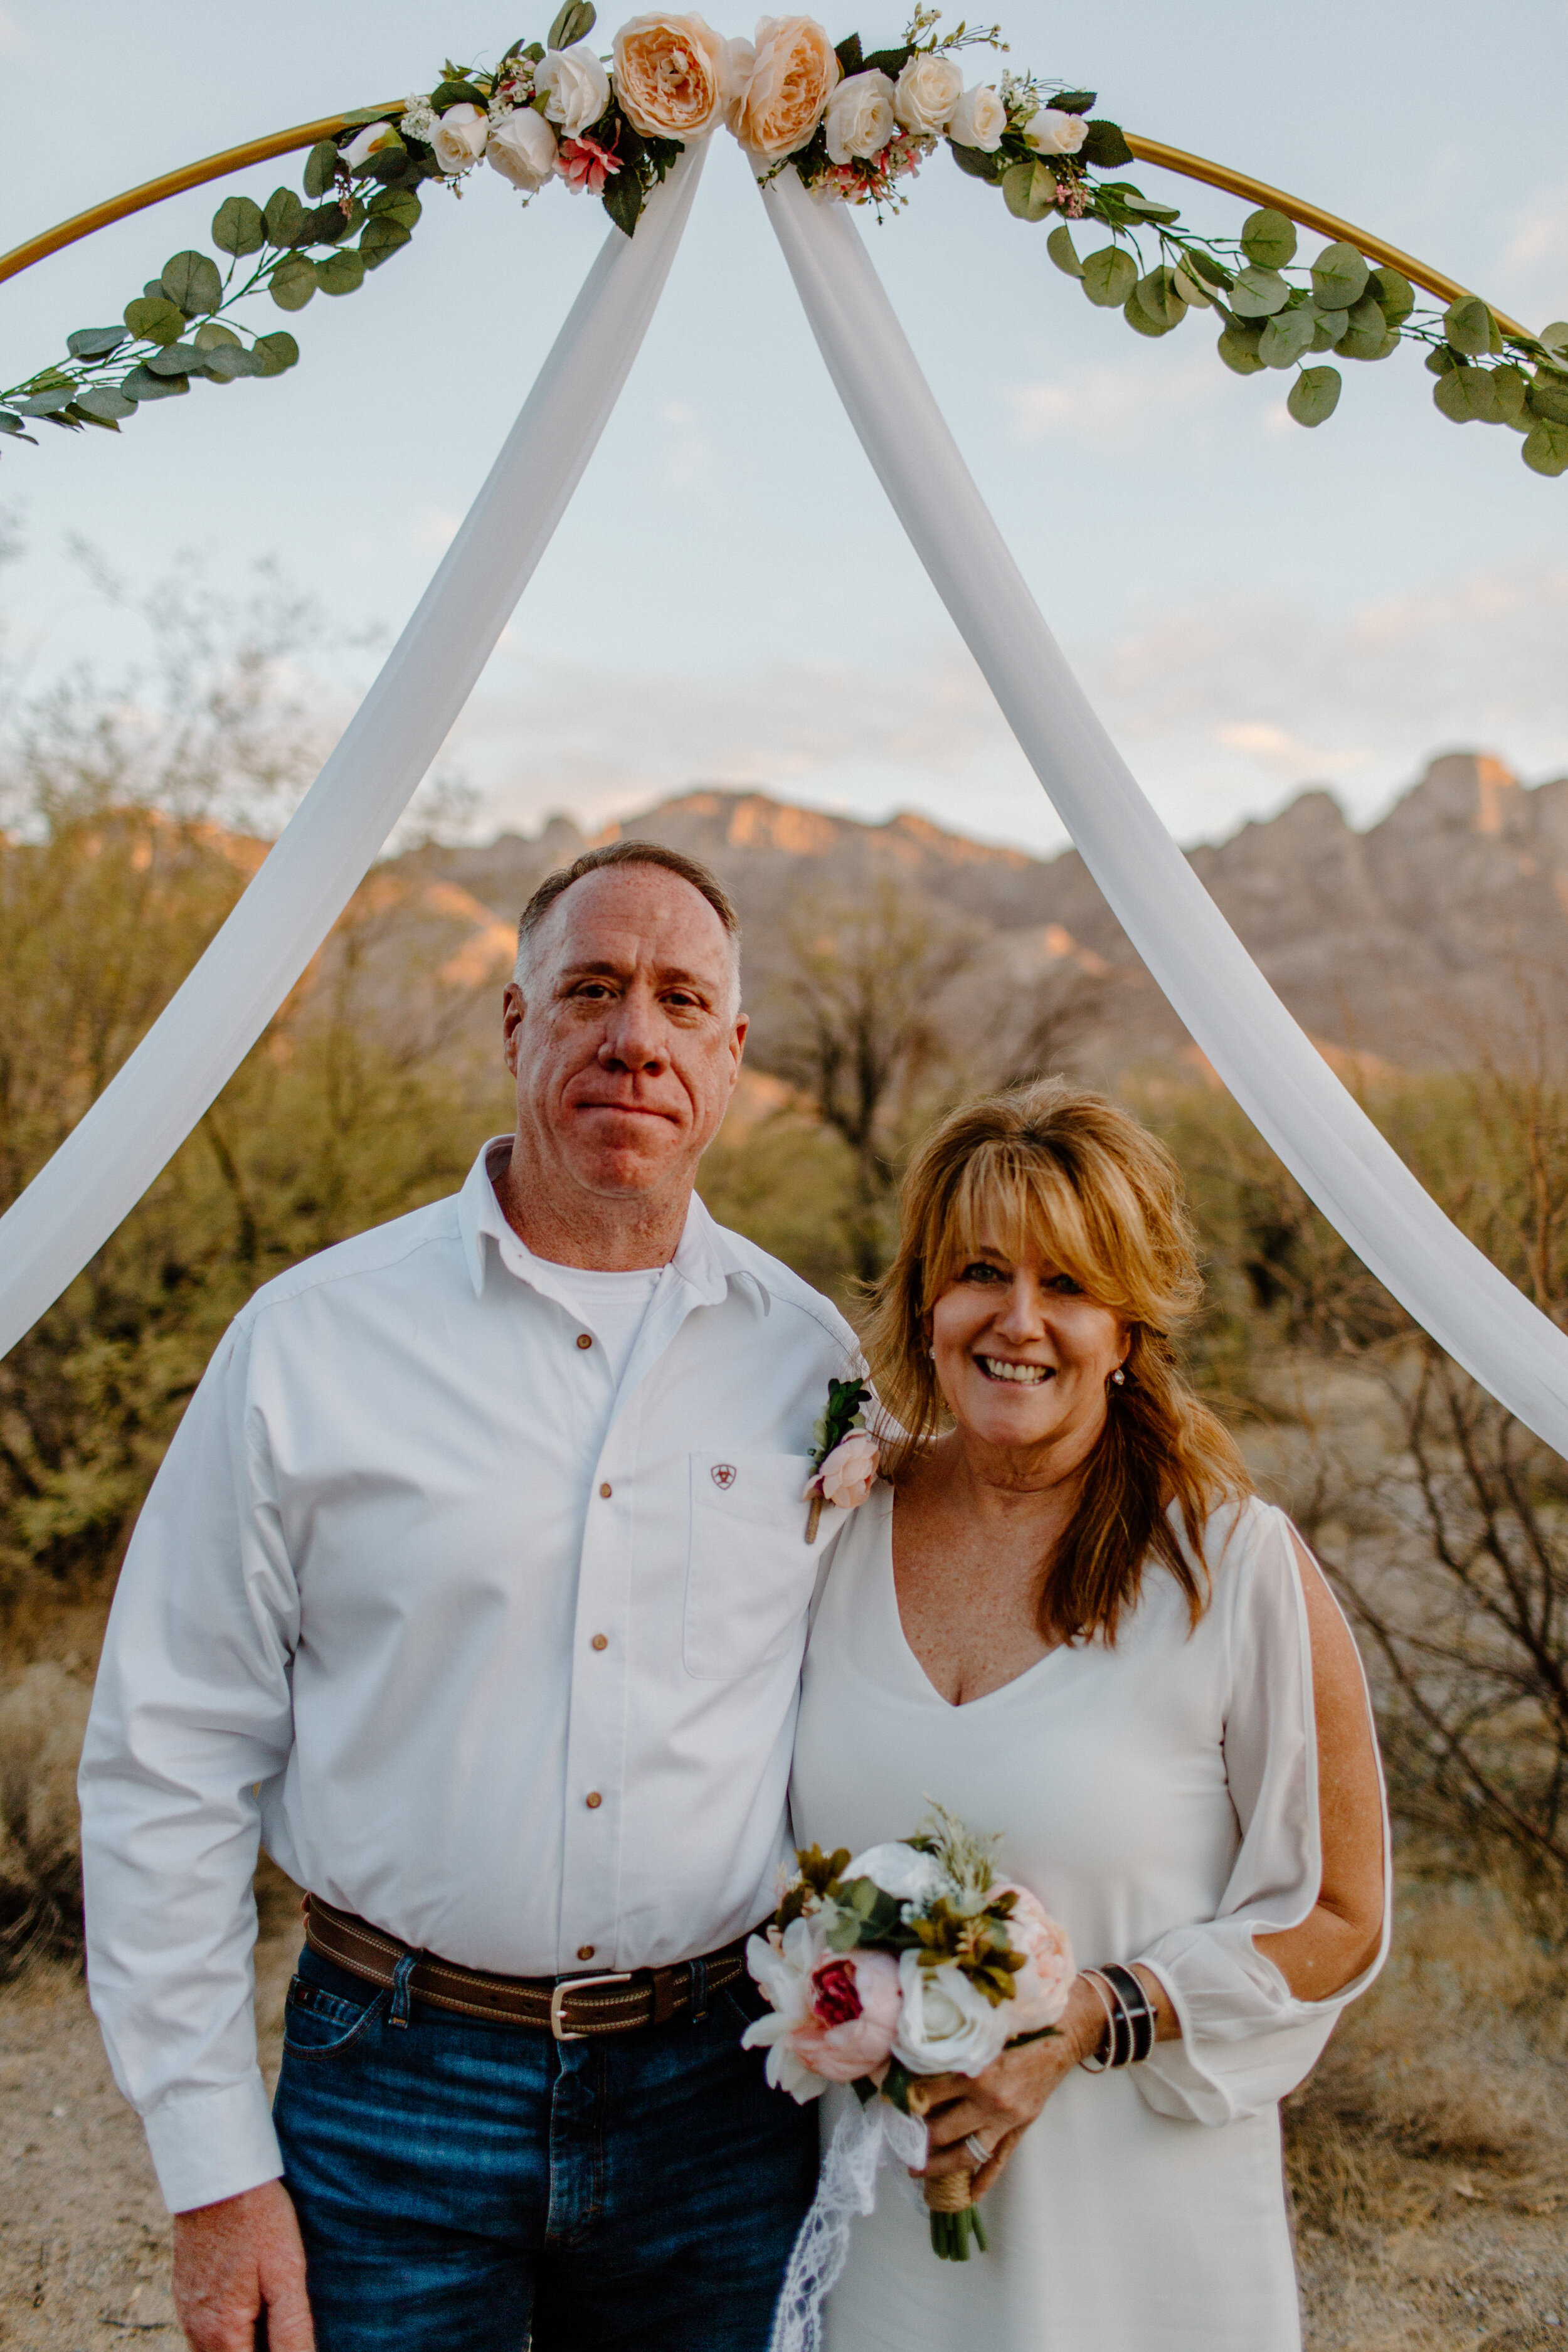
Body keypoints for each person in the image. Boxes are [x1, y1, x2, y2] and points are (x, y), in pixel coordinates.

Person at [79, 840, 866, 2352]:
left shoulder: (809, 1359)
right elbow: (167, 1758)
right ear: (516, 1026)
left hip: (722, 2094)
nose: (634, 1033)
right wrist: (210, 2173)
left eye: (680, 1000)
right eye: (590, 988)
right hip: (391, 2094)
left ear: (732, 1055)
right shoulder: (309, 1343)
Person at [790, 1080, 1388, 2352]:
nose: (1017, 1321)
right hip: (885, 2236)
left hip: (1137, 2243)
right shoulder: (835, 1535)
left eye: (1066, 1284)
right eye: (979, 1273)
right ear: (923, 1303)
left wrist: (1094, 2014)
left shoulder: (1225, 1564)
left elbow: (1338, 1916)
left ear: (1125, 1328)